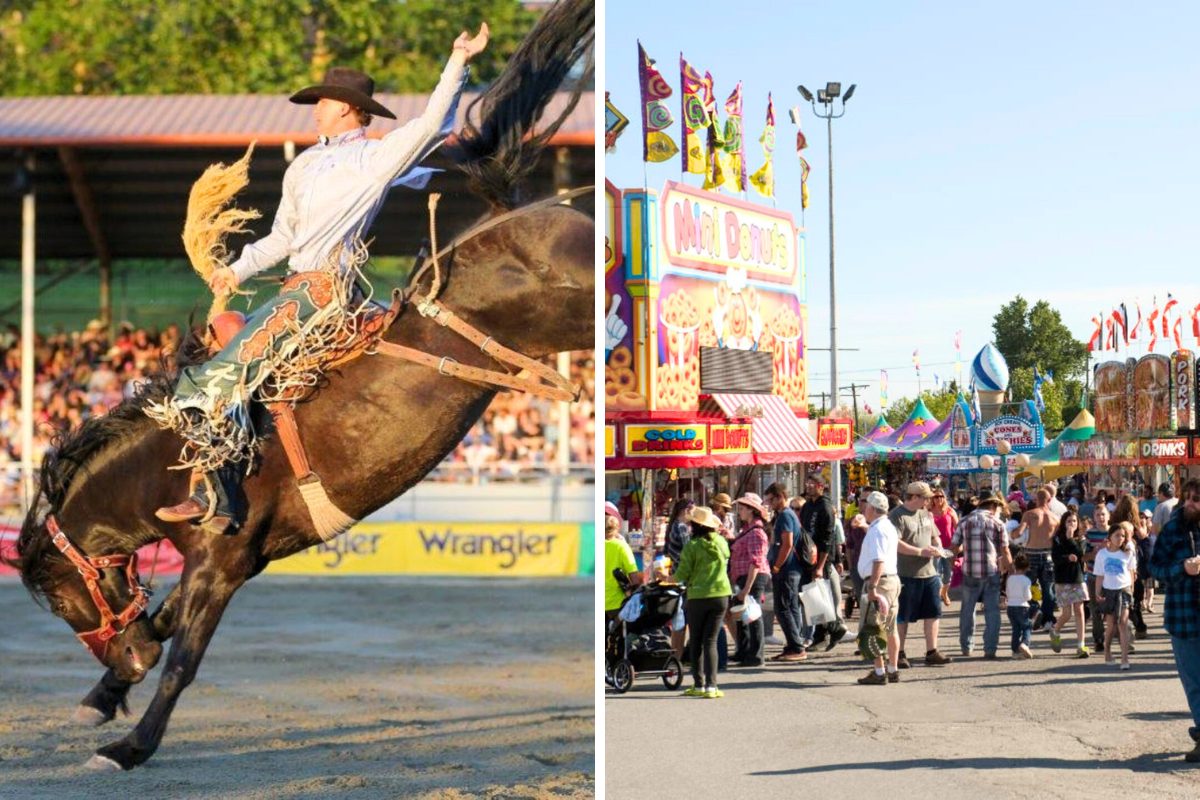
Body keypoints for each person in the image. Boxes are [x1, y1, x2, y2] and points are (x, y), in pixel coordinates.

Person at [152, 23, 491, 531]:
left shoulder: (372, 159)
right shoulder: (303, 165)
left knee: (212, 378)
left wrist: (457, 62)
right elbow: (281, 238)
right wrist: (235, 269)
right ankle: (227, 493)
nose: (317, 107)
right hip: (294, 288)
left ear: (349, 109)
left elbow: (428, 125)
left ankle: (223, 502)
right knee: (220, 366)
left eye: (326, 100)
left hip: (324, 292)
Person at [855, 491, 938, 685]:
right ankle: (892, 668)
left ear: (873, 509)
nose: (864, 508)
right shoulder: (886, 526)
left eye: (866, 505)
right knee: (890, 627)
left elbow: (878, 560)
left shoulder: (878, 529)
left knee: (874, 627)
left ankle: (879, 670)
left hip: (881, 581)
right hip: (892, 580)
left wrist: (873, 587)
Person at [1149, 477, 1200, 763]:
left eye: (1197, 499)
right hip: (1184, 617)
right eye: (1188, 498)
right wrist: (1182, 568)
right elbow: (1155, 568)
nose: (1191, 503)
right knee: (1194, 681)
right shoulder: (1173, 529)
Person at [890, 481, 952, 668]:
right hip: (906, 573)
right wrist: (920, 552)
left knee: (933, 612)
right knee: (903, 616)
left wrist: (938, 548)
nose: (928, 502)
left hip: (930, 572)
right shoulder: (897, 515)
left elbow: (935, 536)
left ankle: (931, 651)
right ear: (915, 497)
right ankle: (899, 653)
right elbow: (896, 543)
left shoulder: (926, 514)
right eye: (925, 498)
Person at [673, 506, 732, 699]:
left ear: (696, 525)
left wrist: (666, 577)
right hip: (721, 595)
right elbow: (727, 557)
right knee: (711, 640)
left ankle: (698, 685)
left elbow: (682, 574)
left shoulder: (692, 546)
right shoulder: (722, 542)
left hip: (697, 596)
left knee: (697, 640)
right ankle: (712, 686)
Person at [951, 493, 1012, 659]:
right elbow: (1005, 550)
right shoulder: (997, 523)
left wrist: (952, 564)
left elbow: (954, 545)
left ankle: (967, 646)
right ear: (993, 507)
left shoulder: (964, 521)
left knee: (967, 609)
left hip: (969, 571)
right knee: (992, 611)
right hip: (991, 571)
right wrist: (1010, 569)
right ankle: (990, 648)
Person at [796, 475, 848, 651]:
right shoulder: (808, 505)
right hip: (808, 557)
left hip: (822, 560)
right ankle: (826, 632)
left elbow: (828, 539)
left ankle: (832, 629)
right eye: (807, 483)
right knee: (812, 598)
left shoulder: (825, 507)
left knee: (820, 597)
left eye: (812, 484)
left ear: (821, 486)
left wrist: (820, 567)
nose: (809, 487)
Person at [762, 485, 811, 662]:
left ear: (780, 497)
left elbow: (787, 544)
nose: (769, 503)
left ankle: (796, 646)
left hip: (787, 569)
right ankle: (794, 644)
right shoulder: (785, 515)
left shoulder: (785, 515)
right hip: (790, 569)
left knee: (783, 608)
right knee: (789, 607)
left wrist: (776, 566)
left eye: (771, 499)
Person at [729, 496, 771, 666]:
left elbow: (756, 562)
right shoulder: (747, 530)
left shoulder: (756, 532)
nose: (739, 512)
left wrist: (747, 588)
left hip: (753, 576)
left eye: (742, 509)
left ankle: (756, 654)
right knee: (741, 614)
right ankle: (744, 650)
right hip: (743, 575)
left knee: (753, 614)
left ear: (751, 510)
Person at [1011, 487, 1060, 632]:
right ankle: (1048, 620)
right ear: (1050, 500)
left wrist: (1012, 533)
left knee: (1025, 586)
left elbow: (1018, 533)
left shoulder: (1030, 514)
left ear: (1036, 500)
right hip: (1049, 555)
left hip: (1031, 554)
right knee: (1048, 590)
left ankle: (1034, 610)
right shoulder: (1055, 518)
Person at [1049, 509, 1090, 658]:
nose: (1071, 524)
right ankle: (1055, 629)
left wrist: (1071, 539)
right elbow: (1056, 558)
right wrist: (1067, 558)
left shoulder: (1081, 539)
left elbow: (1080, 553)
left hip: (1077, 578)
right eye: (1068, 521)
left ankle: (1081, 645)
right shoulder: (1057, 539)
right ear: (1063, 523)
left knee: (1080, 611)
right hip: (1062, 579)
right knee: (1067, 613)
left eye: (1074, 521)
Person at [1094, 523, 1136, 670]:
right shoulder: (1102, 554)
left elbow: (1131, 573)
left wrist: (1132, 591)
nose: (1120, 538)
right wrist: (1097, 592)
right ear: (1110, 537)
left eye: (1123, 536)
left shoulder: (1128, 553)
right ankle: (1107, 651)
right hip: (1108, 591)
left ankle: (1125, 658)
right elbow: (1099, 575)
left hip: (1123, 591)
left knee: (1123, 624)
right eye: (1117, 535)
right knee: (1111, 626)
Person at [603, 506, 641, 623]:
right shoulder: (621, 546)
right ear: (617, 528)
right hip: (617, 603)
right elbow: (633, 575)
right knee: (618, 637)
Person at [929, 488, 959, 606]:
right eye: (936, 497)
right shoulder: (929, 511)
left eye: (941, 496)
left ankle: (944, 593)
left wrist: (958, 545)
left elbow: (958, 528)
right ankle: (935, 597)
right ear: (932, 499)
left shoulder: (950, 511)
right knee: (936, 572)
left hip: (948, 547)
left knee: (948, 574)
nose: (939, 499)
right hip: (934, 547)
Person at [1006, 552, 1034, 658]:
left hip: (1011, 606)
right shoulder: (1026, 580)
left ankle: (1015, 651)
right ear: (1027, 567)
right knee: (1027, 627)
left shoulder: (1010, 579)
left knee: (1015, 629)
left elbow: (1008, 592)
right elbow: (1027, 596)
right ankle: (1024, 644)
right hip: (1022, 606)